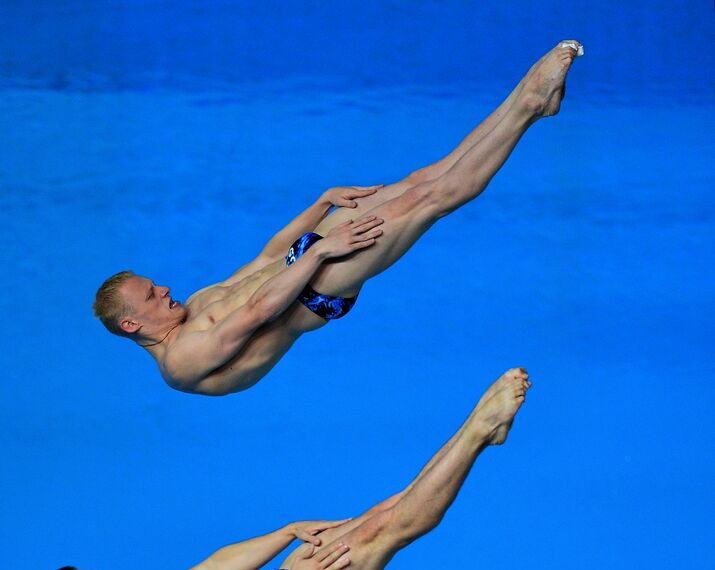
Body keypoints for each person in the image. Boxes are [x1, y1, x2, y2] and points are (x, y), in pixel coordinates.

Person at [92, 42, 582, 395]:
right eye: (151, 294)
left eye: (154, 282)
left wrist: (321, 203)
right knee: (431, 199)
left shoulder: (196, 304)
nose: (163, 288)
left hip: (301, 262)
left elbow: (264, 257)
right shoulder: (181, 363)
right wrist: (323, 249)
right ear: (133, 324)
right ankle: (528, 105)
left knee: (418, 180)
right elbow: (260, 313)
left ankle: (531, 105)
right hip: (313, 290)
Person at [35, 368, 530, 570]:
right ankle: (479, 429)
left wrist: (287, 532)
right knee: (386, 532)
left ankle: (481, 438)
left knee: (385, 509)